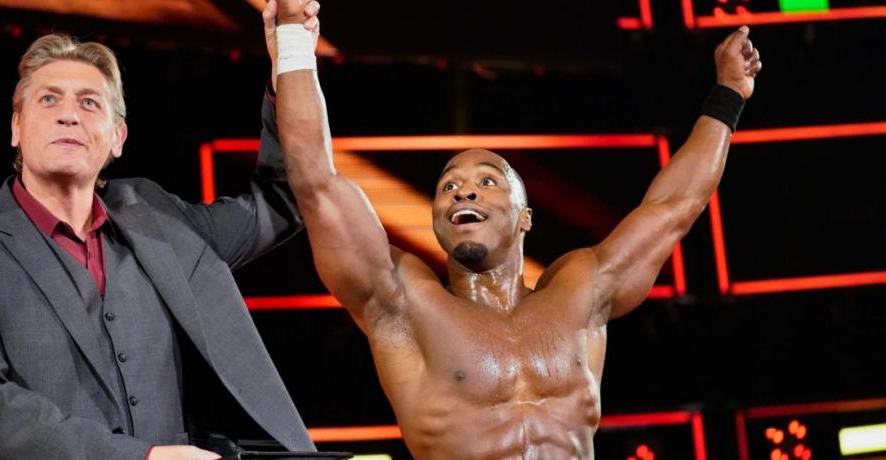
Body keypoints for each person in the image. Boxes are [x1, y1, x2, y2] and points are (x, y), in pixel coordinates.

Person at [270, 0, 762, 456]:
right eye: (449, 186)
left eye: (487, 181)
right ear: (436, 220)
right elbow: (315, 181)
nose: (464, 192)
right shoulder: (404, 302)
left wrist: (729, 94)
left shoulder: (579, 292)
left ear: (525, 217)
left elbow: (675, 206)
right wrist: (293, 34)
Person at [0, 4, 323, 459]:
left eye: (89, 103)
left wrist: (292, 56)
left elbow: (285, 198)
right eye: (48, 100)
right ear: (16, 127)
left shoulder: (161, 219)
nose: (69, 115)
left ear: (117, 138)